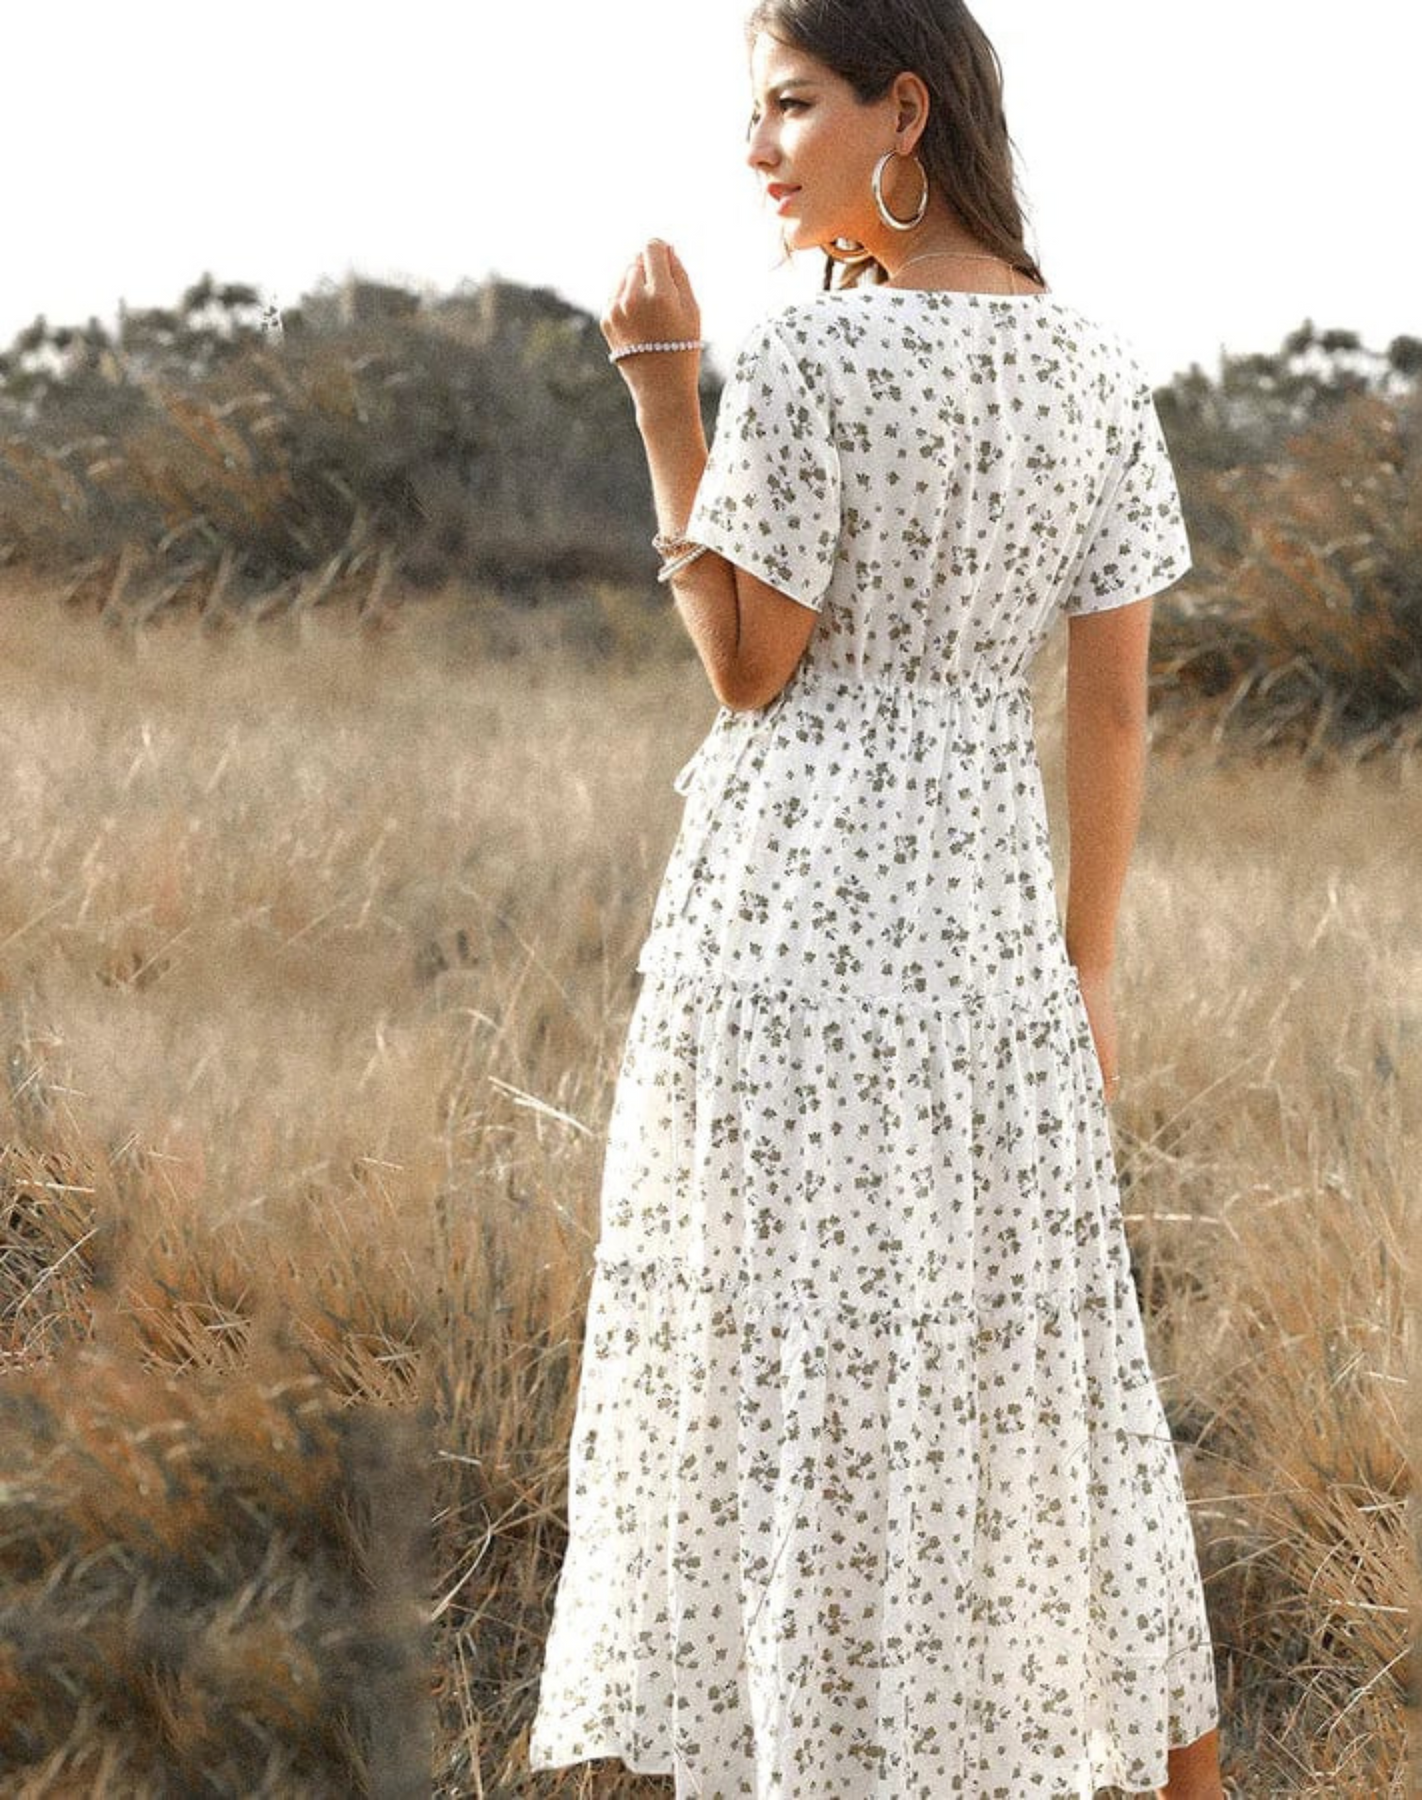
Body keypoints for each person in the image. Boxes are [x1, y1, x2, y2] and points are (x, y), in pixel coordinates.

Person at [526, 2, 1225, 1794]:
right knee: (1023, 1358)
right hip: (991, 920)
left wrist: (664, 393)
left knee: (787, 1358)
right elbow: (1113, 709)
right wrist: (1087, 966)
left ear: (903, 111)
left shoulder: (812, 359)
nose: (757, 149)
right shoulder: (1097, 368)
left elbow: (749, 666)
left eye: (791, 107)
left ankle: (817, 1746)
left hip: (794, 914)